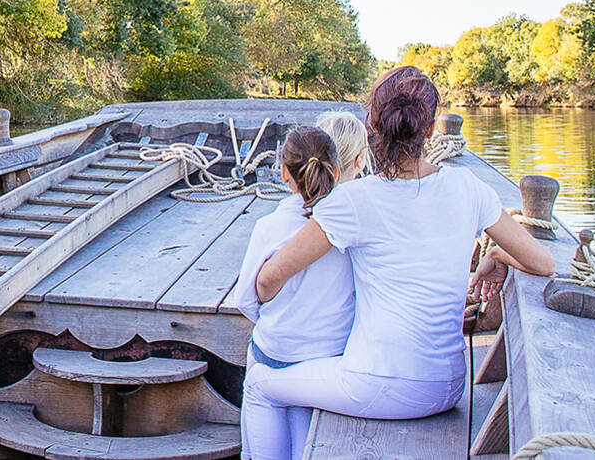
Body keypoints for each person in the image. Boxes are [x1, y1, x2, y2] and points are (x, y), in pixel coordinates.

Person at [242, 66, 556, 460]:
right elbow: (543, 263)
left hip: (378, 384)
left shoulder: (353, 200)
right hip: (448, 385)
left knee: (258, 383)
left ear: (373, 124)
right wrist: (496, 253)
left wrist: (266, 301)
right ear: (429, 131)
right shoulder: (469, 188)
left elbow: (270, 277)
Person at [231, 127, 355, 457]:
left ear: (283, 172)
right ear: (337, 170)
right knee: (301, 407)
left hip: (279, 352)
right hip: (329, 355)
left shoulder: (269, 227)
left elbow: (246, 300)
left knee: (258, 358)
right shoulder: (352, 224)